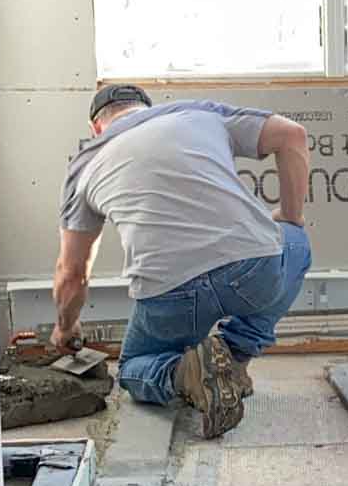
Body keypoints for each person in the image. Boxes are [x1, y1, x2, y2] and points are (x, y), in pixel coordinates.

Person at [52, 83, 312, 438]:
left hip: (171, 293)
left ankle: (184, 373)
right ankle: (234, 359)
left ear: (96, 126)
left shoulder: (84, 164)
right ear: (147, 108)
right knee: (294, 242)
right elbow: (292, 135)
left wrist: (66, 327)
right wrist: (290, 217)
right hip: (252, 270)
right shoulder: (198, 113)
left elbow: (72, 275)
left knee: (133, 369)